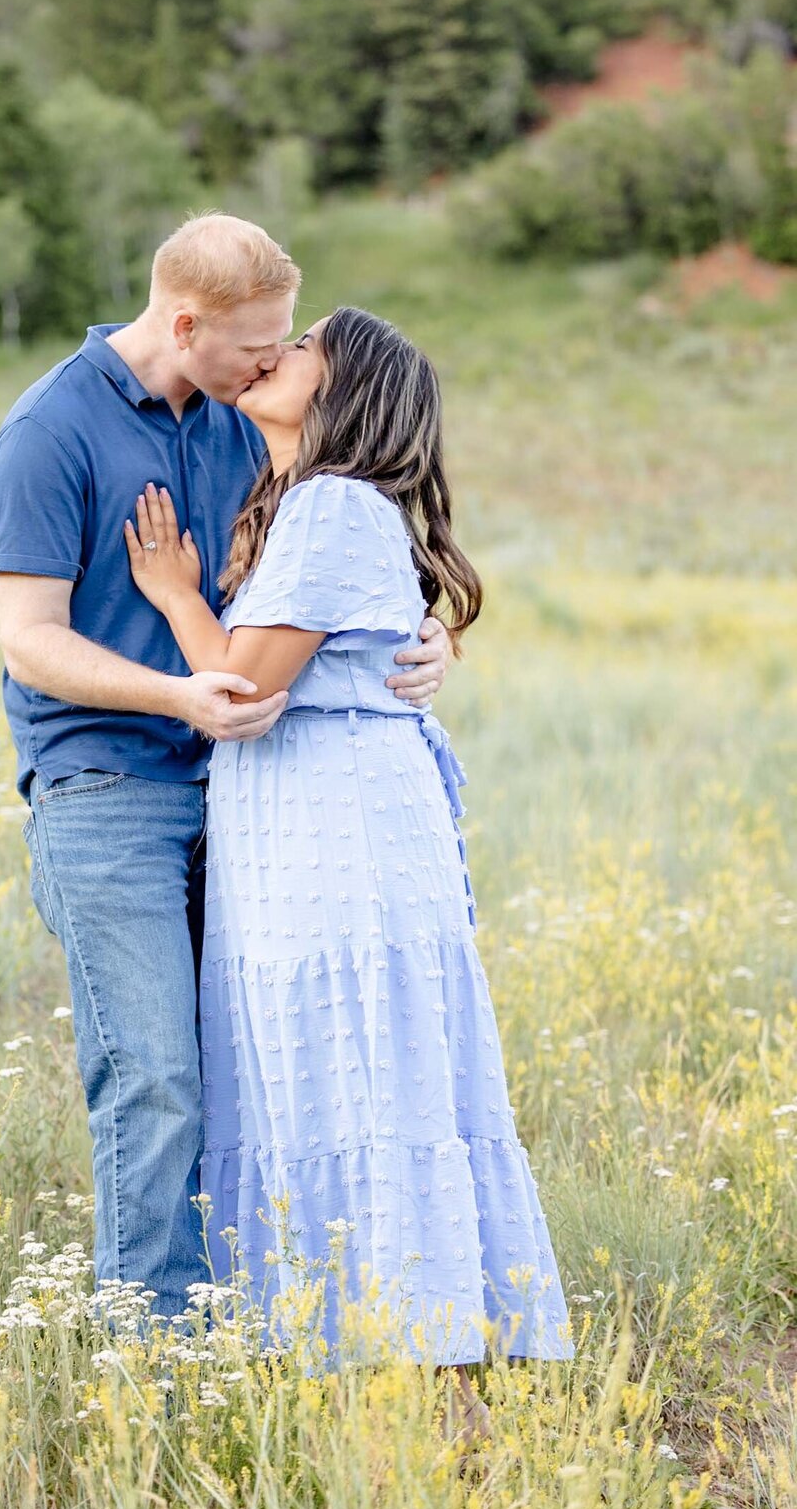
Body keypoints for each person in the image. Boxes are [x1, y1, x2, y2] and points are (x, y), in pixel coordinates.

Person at [0, 215, 452, 1327]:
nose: (275, 361)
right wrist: (178, 696)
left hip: (256, 802)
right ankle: (155, 1345)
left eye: (286, 343)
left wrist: (429, 639)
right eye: (258, 343)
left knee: (248, 1078)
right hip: (108, 785)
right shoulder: (53, 429)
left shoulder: (252, 420)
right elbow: (29, 639)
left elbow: (336, 559)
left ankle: (255, 1315)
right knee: (154, 1072)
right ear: (185, 322)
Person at [123, 305, 575, 1429]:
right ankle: (403, 1390)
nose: (281, 352)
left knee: (362, 1078)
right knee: (346, 1078)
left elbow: (243, 688)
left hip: (341, 841)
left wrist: (177, 596)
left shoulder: (328, 507)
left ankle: (431, 1401)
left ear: (347, 388)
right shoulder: (307, 508)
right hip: (311, 829)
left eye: (308, 342)